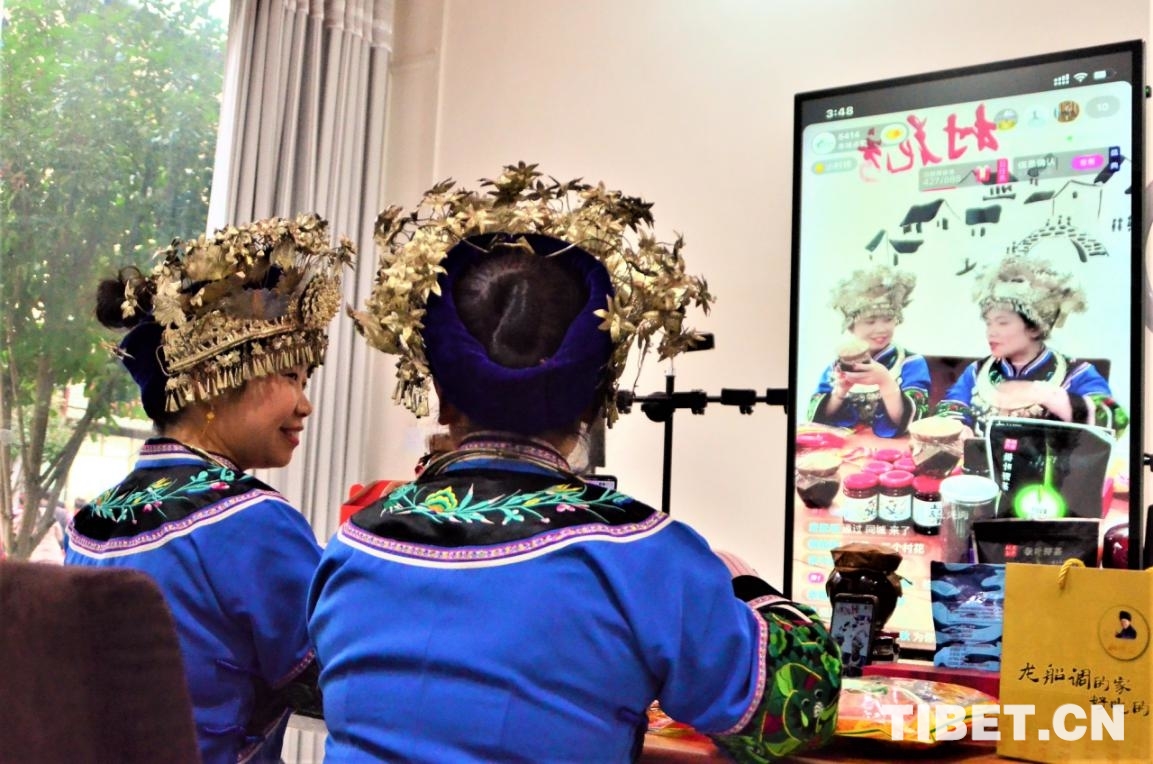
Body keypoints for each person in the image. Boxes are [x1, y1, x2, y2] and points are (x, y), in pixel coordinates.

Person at [309, 164, 841, 762]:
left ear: (442, 396)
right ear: (594, 402)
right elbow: (799, 709)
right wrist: (744, 584)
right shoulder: (640, 555)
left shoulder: (352, 547)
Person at [65, 214, 353, 764]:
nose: (305, 404)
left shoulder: (88, 524)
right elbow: (341, 677)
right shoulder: (250, 520)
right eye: (289, 376)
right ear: (212, 383)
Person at [935, 255, 1126, 437]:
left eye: (1002, 323)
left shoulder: (1076, 374)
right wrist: (957, 428)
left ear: (1035, 328)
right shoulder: (977, 372)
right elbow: (952, 405)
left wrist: (1049, 396)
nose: (991, 332)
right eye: (989, 323)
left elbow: (1115, 421)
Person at [808, 265, 929, 437]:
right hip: (846, 444)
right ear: (851, 327)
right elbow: (817, 417)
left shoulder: (911, 363)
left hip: (893, 446)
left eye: (888, 319)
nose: (881, 329)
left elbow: (915, 421)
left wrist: (886, 382)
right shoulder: (837, 366)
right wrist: (839, 393)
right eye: (870, 322)